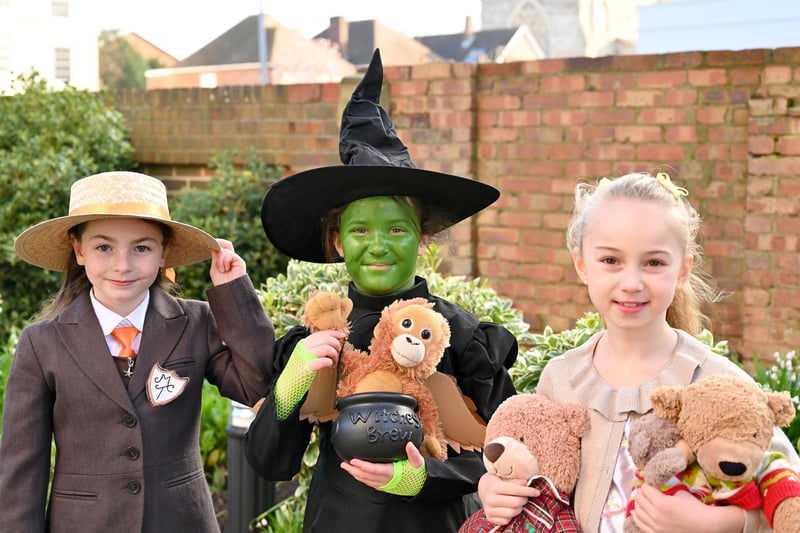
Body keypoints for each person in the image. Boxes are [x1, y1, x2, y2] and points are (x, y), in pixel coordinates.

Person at [244, 48, 519, 532]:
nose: (377, 246)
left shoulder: (464, 337)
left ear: (423, 238)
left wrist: (426, 476)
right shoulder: (316, 338)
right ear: (336, 240)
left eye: (396, 230)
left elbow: (512, 453)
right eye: (359, 231)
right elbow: (271, 463)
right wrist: (291, 384)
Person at [476, 171, 800, 533]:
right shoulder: (561, 378)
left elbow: (790, 494)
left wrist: (725, 522)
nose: (631, 283)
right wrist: (494, 489)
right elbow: (528, 459)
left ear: (683, 269)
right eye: (611, 261)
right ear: (582, 264)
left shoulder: (716, 382)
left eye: (654, 263)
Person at [0, 170, 275, 532]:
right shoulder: (42, 343)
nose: (123, 265)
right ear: (78, 250)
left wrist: (234, 293)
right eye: (103, 247)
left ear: (164, 252)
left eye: (141, 248)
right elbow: (22, 469)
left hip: (181, 521)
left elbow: (257, 385)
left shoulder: (195, 323)